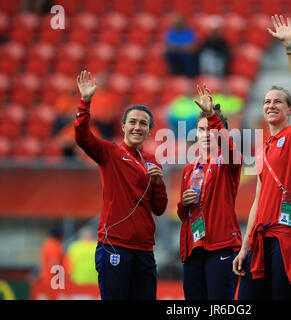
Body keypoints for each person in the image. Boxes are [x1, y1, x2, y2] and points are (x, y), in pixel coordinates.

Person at [232, 15, 291, 300]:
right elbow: (258, 200)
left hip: (287, 238)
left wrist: (290, 48)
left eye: (277, 102)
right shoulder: (263, 148)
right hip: (260, 239)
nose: (271, 105)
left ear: (290, 110)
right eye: (266, 101)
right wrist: (245, 246)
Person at [74, 70, 168, 300]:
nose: (138, 127)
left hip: (145, 250)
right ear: (123, 126)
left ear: (149, 130)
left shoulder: (153, 162)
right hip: (114, 245)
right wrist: (85, 102)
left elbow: (159, 208)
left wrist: (158, 183)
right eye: (133, 122)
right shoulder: (110, 152)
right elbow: (82, 137)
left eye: (143, 123)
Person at [177, 85, 242, 300]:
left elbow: (230, 149)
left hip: (221, 246)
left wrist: (212, 115)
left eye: (212, 129)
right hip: (194, 249)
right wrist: (183, 205)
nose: (206, 134)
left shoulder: (228, 162)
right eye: (202, 129)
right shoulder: (189, 169)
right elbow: (183, 216)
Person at [165, 14, 198, 78]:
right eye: (176, 23)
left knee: (189, 56)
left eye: (179, 22)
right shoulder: (170, 32)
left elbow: (192, 47)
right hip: (175, 55)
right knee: (169, 55)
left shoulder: (189, 32)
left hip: (186, 55)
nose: (178, 24)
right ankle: (173, 77)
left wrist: (178, 48)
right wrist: (183, 48)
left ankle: (190, 77)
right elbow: (169, 47)